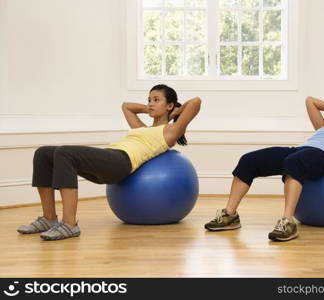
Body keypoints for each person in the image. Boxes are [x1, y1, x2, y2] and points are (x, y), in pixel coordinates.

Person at [17, 84, 201, 240]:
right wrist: (150, 109)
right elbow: (126, 106)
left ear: (169, 105)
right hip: (111, 156)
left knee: (64, 153)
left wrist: (176, 110)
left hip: (122, 162)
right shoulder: (142, 128)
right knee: (43, 153)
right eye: (149, 99)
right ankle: (49, 218)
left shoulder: (170, 131)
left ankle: (70, 224)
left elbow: (196, 102)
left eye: (156, 100)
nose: (150, 103)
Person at [204, 88, 324, 242]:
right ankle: (230, 215)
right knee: (248, 160)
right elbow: (310, 101)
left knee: (293, 163)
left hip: (322, 156)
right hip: (300, 150)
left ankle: (287, 222)